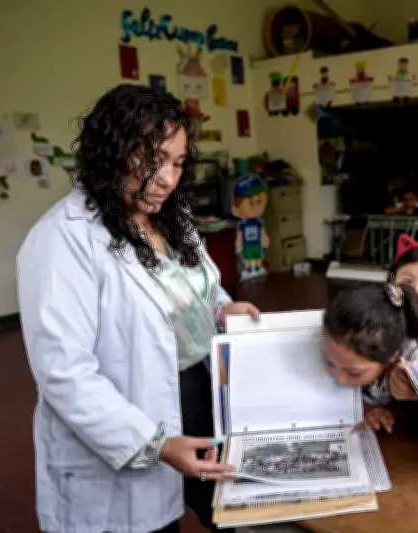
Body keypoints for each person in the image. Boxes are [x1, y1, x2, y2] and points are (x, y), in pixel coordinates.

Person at [17, 84, 260, 533]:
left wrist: (223, 311)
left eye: (178, 163)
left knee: (236, 518)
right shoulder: (62, 239)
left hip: (199, 400)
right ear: (111, 153)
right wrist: (157, 444)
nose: (167, 178)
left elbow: (197, 290)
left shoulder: (173, 217)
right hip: (129, 422)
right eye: (153, 160)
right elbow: (64, 371)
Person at [322, 283, 418, 431]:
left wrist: (416, 393)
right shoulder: (333, 338)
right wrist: (369, 410)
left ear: (392, 356)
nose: (339, 379)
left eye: (354, 373)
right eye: (329, 362)